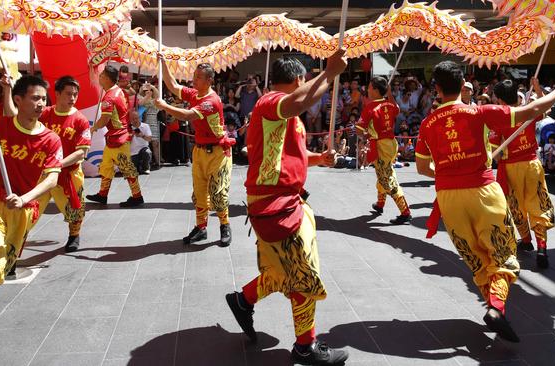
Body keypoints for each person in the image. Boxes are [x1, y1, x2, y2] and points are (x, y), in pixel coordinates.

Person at [414, 61, 555, 342]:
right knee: (502, 254)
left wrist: (450, 171)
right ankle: (496, 307)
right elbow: (531, 110)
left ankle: (493, 305)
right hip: (483, 191)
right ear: (463, 83)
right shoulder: (478, 112)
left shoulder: (427, 123)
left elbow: (422, 169)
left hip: (448, 196)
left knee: (477, 259)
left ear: (436, 88)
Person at [225, 49, 349, 365]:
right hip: (278, 205)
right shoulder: (271, 103)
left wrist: (319, 158)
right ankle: (305, 347)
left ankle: (243, 300)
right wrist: (330, 73)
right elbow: (299, 101)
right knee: (306, 274)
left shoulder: (283, 115)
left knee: (280, 272)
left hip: (276, 203)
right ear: (298, 79)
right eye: (305, 81)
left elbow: (286, 155)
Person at [0, 76, 64, 345]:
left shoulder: (51, 140)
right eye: (35, 98)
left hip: (22, 212)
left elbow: (52, 179)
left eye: (44, 98)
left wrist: (25, 198)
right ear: (18, 100)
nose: (41, 103)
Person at [158, 60, 234, 246]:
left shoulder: (211, 102)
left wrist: (164, 106)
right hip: (199, 151)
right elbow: (173, 85)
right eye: (193, 76)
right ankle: (201, 228)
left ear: (209, 80)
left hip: (218, 152)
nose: (194, 80)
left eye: (198, 78)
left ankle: (225, 225)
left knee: (218, 194)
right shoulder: (194, 94)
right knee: (199, 193)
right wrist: (163, 63)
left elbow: (186, 115)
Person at [490, 78, 555, 269]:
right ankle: (541, 247)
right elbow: (547, 109)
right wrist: (538, 89)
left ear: (501, 100)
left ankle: (526, 240)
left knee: (516, 206)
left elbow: (497, 154)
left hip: (512, 168)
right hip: (533, 164)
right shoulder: (528, 111)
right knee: (538, 204)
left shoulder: (499, 118)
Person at [37, 76, 91, 253]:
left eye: (75, 94)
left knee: (75, 209)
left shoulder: (80, 120)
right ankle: (17, 241)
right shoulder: (44, 114)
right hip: (42, 174)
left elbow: (81, 152)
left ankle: (74, 235)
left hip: (69, 173)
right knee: (29, 209)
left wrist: (57, 164)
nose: (72, 98)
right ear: (57, 94)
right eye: (68, 94)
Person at [86, 65, 144, 207]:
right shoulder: (119, 91)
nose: (99, 78)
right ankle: (102, 194)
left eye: (101, 76)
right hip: (116, 137)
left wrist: (94, 127)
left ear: (105, 78)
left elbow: (105, 119)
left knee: (127, 169)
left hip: (118, 138)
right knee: (106, 166)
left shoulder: (109, 97)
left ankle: (137, 196)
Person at [357, 76, 412, 224]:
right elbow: (397, 109)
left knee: (386, 177)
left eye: (369, 87)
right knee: (383, 172)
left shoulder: (370, 108)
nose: (367, 89)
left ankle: (405, 211)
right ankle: (380, 204)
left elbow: (358, 129)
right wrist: (389, 93)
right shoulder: (389, 104)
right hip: (391, 143)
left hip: (380, 145)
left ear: (375, 90)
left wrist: (365, 137)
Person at [138, 83, 162, 169]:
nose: (148, 92)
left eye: (149, 91)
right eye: (146, 91)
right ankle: (147, 163)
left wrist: (153, 87)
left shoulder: (155, 100)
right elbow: (140, 98)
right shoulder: (141, 99)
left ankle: (157, 161)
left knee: (155, 143)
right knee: (145, 143)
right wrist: (143, 87)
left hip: (154, 123)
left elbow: (159, 97)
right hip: (144, 123)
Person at [129, 109, 152, 174]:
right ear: (130, 119)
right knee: (134, 170)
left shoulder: (145, 126)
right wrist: (131, 136)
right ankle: (139, 166)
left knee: (147, 152)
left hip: (143, 148)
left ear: (139, 118)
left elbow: (150, 139)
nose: (135, 120)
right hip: (132, 152)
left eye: (136, 118)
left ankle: (146, 168)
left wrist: (142, 136)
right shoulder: (128, 128)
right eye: (133, 119)